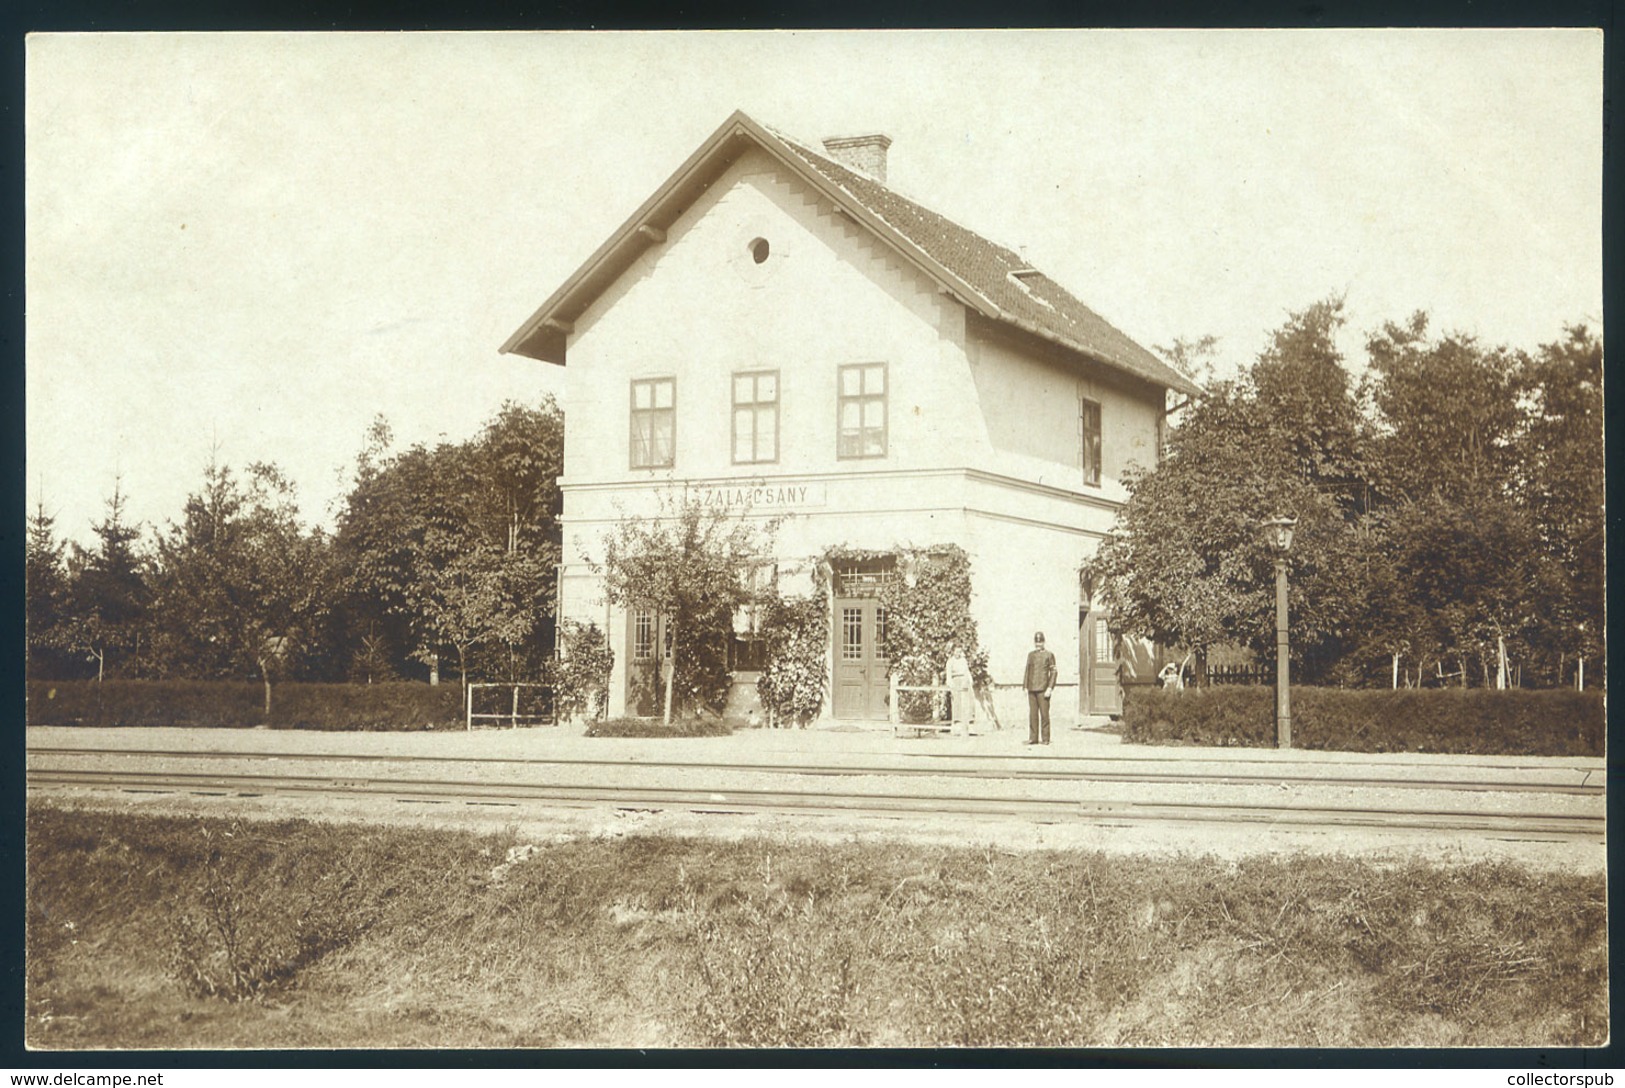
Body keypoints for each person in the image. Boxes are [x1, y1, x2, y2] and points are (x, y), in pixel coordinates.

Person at [1023, 631, 1057, 745]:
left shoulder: (1049, 655)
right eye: (1036, 643)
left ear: (1044, 642)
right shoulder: (1031, 655)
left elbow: (1053, 672)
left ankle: (1046, 738)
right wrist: (1025, 686)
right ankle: (1033, 738)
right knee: (1033, 715)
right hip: (1031, 689)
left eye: (1040, 642)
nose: (1038, 645)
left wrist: (1050, 688)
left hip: (1043, 689)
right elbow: (1027, 671)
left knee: (1044, 714)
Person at [946, 642, 973, 736]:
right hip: (956, 682)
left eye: (960, 651)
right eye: (956, 651)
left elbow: (967, 671)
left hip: (964, 683)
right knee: (956, 703)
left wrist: (969, 680)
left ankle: (967, 726)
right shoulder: (950, 661)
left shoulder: (963, 660)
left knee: (967, 703)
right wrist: (951, 684)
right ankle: (957, 726)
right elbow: (948, 675)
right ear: (953, 652)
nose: (958, 653)